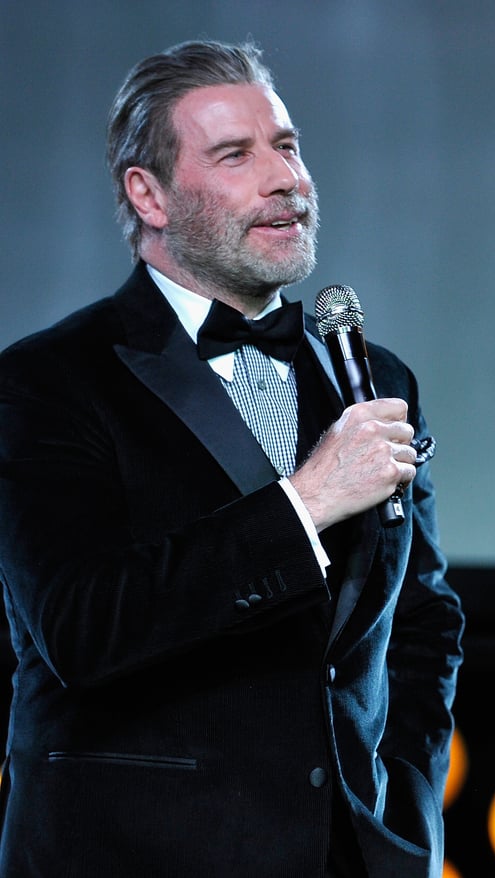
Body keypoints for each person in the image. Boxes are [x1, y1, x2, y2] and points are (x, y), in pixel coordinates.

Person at [0, 40, 463, 878]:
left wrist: (406, 812)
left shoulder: (377, 377)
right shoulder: (47, 379)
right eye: (234, 154)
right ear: (150, 194)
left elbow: (423, 622)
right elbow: (78, 627)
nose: (285, 177)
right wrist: (305, 504)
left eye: (286, 145)